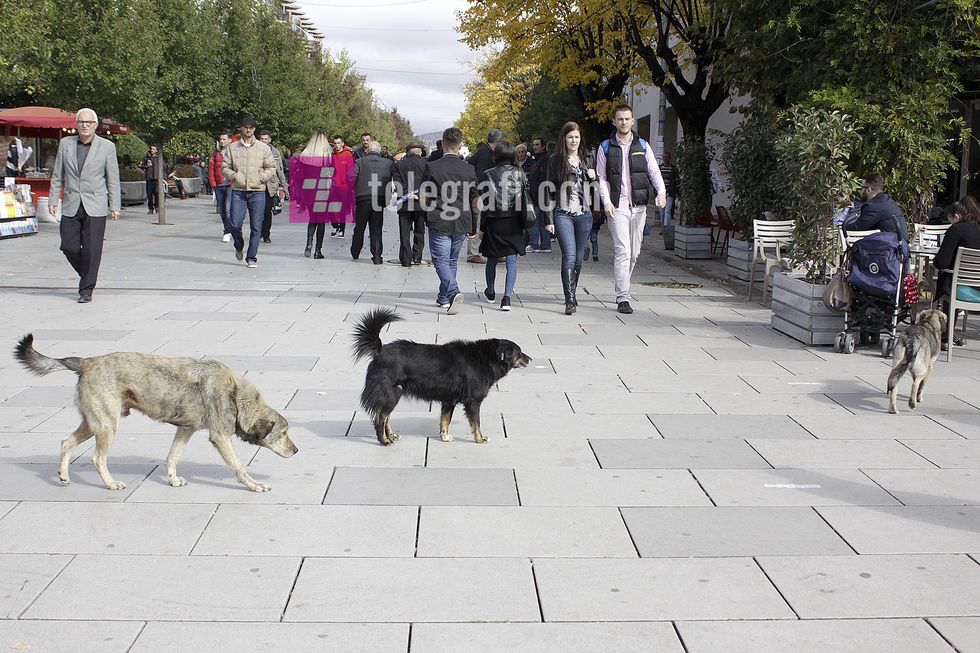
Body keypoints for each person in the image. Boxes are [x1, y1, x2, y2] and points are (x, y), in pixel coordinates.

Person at [597, 104, 666, 314]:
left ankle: (621, 284)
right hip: (617, 208)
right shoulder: (606, 147)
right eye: (620, 119)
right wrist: (606, 201)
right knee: (623, 251)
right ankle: (623, 297)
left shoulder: (643, 145)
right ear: (614, 121)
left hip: (639, 207)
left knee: (634, 253)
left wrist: (661, 192)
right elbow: (601, 177)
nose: (623, 122)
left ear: (632, 121)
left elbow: (654, 171)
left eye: (627, 119)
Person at [47, 108, 120, 303]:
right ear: (76, 124)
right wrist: (53, 199)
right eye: (81, 122)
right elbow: (57, 175)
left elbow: (113, 178)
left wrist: (115, 205)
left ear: (96, 125)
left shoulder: (107, 147)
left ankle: (86, 290)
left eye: (89, 122)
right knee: (68, 246)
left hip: (95, 203)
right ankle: (87, 275)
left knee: (92, 249)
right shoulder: (66, 144)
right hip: (71, 202)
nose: (85, 125)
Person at [420, 126, 478, 314]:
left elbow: (423, 195)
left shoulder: (432, 167)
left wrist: (426, 213)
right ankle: (443, 297)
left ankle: (453, 292)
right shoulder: (469, 169)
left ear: (443, 144)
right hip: (462, 220)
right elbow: (475, 200)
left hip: (439, 218)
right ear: (460, 145)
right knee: (451, 260)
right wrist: (474, 225)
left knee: (440, 260)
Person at [545, 121, 597, 315]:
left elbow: (596, 189)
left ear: (580, 138)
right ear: (564, 139)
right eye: (570, 137)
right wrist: (548, 219)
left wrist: (594, 176)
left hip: (584, 213)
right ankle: (570, 300)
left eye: (576, 137)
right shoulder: (555, 160)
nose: (573, 140)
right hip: (562, 212)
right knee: (569, 255)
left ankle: (573, 293)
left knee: (578, 259)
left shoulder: (587, 158)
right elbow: (548, 190)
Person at [478, 140, 528, 311]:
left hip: (493, 220)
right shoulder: (520, 173)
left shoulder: (487, 174)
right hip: (513, 221)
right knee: (511, 260)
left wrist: (482, 227)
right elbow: (525, 197)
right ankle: (507, 297)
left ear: (496, 155)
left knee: (491, 258)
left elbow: (484, 204)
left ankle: (490, 291)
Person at [221, 117, 276, 268]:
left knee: (256, 226)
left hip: (257, 191)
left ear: (254, 129)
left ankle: (251, 257)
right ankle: (239, 245)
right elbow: (225, 167)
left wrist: (261, 177)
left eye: (251, 127)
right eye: (245, 127)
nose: (248, 130)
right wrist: (233, 176)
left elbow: (272, 167)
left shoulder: (263, 148)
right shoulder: (233, 148)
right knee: (234, 224)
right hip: (238, 191)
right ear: (241, 129)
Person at [933, 196, 980, 349]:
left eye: (950, 220)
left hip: (961, 288)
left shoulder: (957, 229)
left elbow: (941, 262)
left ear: (957, 216)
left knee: (949, 280)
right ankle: (948, 334)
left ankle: (945, 334)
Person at [350, 140, 392, 264]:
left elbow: (351, 177)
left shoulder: (359, 162)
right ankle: (377, 257)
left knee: (359, 227)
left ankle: (355, 252)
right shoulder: (388, 163)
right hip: (378, 199)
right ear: (380, 151)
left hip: (362, 198)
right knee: (376, 228)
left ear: (368, 150)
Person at [465, 129, 501, 264]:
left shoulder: (483, 151)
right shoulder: (486, 154)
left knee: (485, 222)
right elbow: (482, 175)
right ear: (498, 141)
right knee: (479, 222)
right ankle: (473, 253)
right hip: (482, 193)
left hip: (481, 192)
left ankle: (490, 251)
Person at [391, 141, 428, 266]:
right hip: (421, 202)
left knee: (404, 232)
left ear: (408, 152)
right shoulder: (427, 164)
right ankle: (417, 257)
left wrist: (408, 193)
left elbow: (397, 184)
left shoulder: (399, 165)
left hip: (405, 202)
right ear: (421, 152)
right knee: (420, 231)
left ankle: (406, 259)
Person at [845, 174, 909, 243]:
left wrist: (843, 226)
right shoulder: (887, 201)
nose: (859, 191)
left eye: (861, 188)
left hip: (892, 248)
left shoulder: (873, 206)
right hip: (899, 246)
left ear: (868, 190)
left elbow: (856, 228)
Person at [299, 131, 332, 259]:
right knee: (321, 221)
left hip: (309, 191)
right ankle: (318, 250)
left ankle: (309, 243)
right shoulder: (327, 156)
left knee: (312, 219)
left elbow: (300, 176)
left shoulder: (304, 155)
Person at [258, 130, 287, 244]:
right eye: (262, 139)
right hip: (258, 184)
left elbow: (279, 170)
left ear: (269, 140)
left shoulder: (275, 153)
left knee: (266, 211)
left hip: (270, 186)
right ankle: (258, 231)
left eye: (266, 139)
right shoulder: (254, 151)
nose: (264, 141)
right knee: (257, 210)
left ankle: (266, 234)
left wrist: (285, 186)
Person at [526, 137, 551, 252]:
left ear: (543, 146)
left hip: (539, 195)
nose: (535, 147)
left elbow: (544, 178)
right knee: (542, 220)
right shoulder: (536, 159)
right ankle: (545, 245)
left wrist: (535, 190)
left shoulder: (545, 159)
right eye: (534, 145)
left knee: (533, 220)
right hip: (539, 195)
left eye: (537, 144)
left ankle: (534, 244)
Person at [209, 131, 233, 242]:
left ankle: (227, 232)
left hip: (230, 185)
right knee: (222, 210)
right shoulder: (215, 153)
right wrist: (213, 184)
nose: (221, 141)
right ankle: (228, 228)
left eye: (224, 139)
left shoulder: (234, 152)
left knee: (228, 209)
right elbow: (211, 169)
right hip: (219, 185)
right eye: (220, 139)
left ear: (230, 140)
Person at [329, 135, 355, 238]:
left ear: (343, 143)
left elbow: (350, 170)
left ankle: (342, 228)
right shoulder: (332, 155)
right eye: (335, 143)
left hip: (344, 186)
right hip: (333, 184)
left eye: (339, 143)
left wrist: (346, 182)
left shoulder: (348, 154)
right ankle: (335, 225)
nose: (337, 145)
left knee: (341, 208)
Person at [138, 144, 163, 215]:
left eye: (153, 149)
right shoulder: (146, 157)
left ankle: (157, 207)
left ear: (156, 150)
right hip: (149, 178)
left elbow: (163, 167)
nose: (152, 150)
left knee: (157, 194)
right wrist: (146, 166)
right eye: (151, 149)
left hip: (157, 178)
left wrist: (163, 177)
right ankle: (150, 208)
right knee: (149, 194)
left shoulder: (159, 157)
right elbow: (140, 166)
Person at [659, 151, 679, 229]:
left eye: (667, 157)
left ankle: (665, 227)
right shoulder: (660, 168)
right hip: (660, 193)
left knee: (667, 210)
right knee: (661, 211)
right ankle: (662, 227)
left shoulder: (673, 169)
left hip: (670, 192)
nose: (665, 158)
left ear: (670, 158)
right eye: (664, 157)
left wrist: (677, 192)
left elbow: (677, 180)